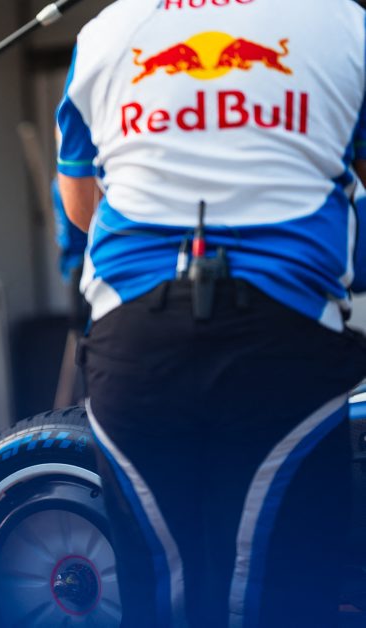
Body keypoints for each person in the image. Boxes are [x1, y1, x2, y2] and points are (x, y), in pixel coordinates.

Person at [57, 1, 366, 626]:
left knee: (161, 599)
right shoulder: (347, 22)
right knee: (288, 597)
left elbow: (81, 206)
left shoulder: (104, 31)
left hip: (136, 335)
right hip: (288, 328)